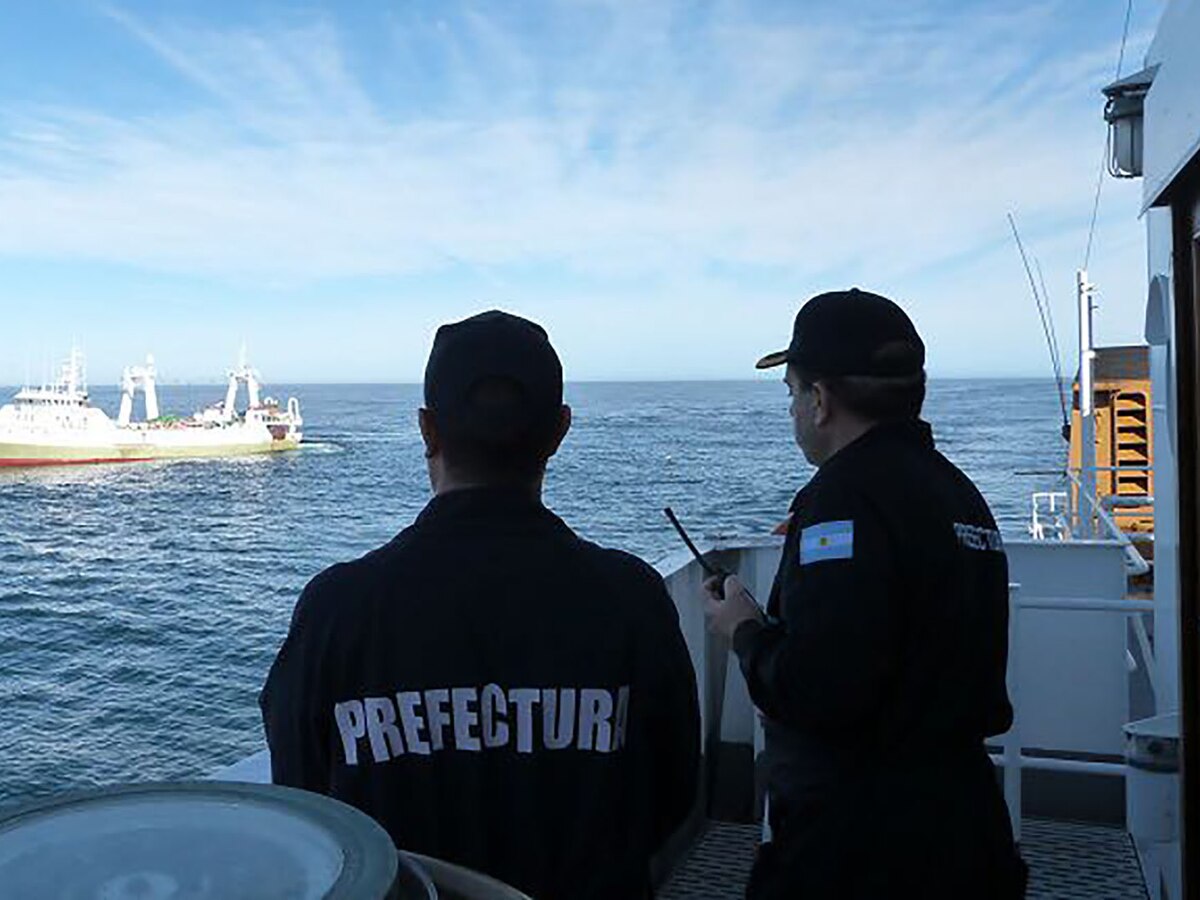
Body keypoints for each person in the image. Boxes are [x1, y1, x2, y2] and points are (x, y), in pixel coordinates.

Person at [261, 310, 700, 900]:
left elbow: (303, 805)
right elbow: (675, 793)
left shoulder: (337, 610)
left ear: (427, 431)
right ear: (559, 431)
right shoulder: (633, 599)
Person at [703, 289, 1027, 899]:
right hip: (966, 830)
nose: (795, 410)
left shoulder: (843, 498)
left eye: (793, 394)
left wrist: (744, 629)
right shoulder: (959, 494)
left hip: (862, 849)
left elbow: (821, 688)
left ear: (820, 400)